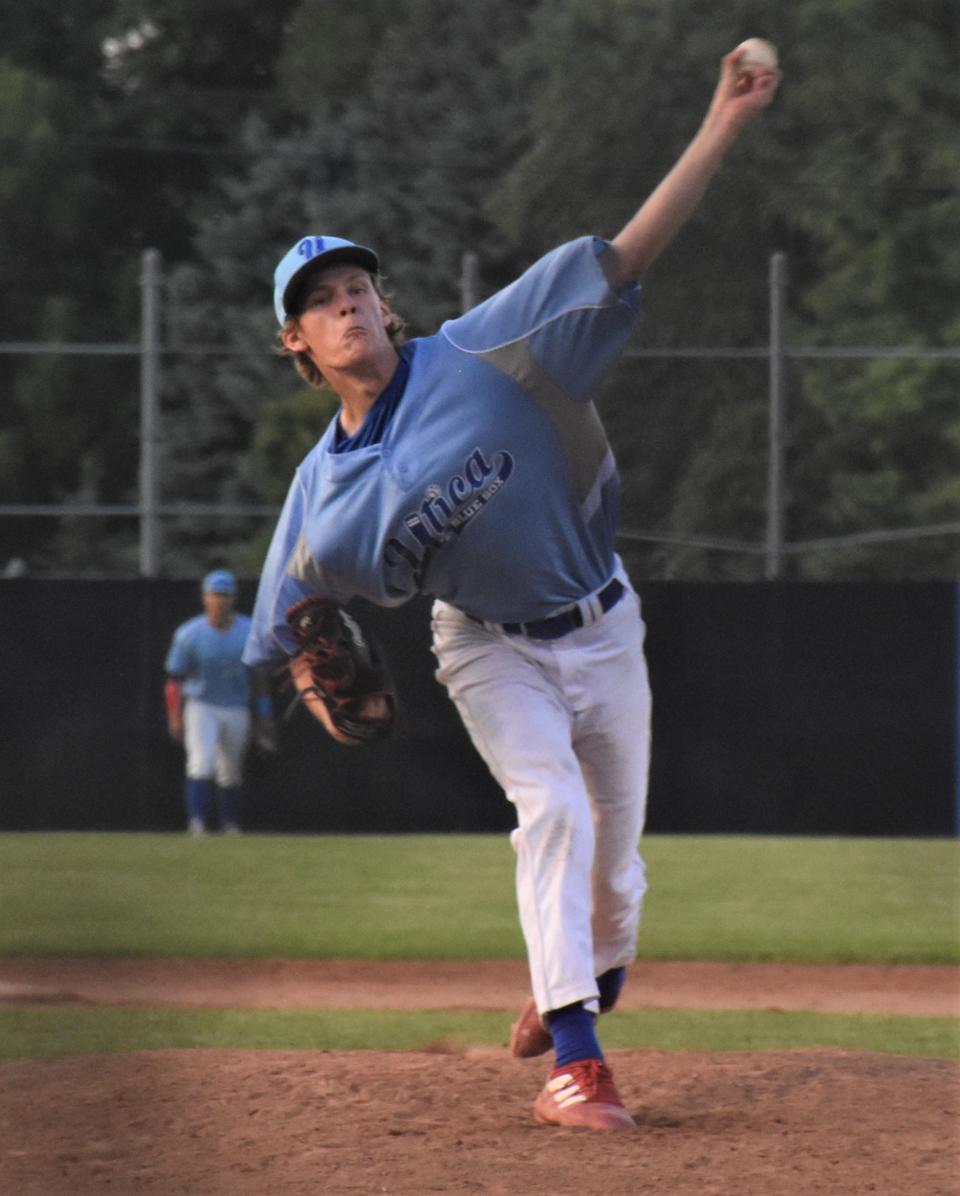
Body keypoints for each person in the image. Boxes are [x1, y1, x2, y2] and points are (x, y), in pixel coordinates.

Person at [244, 46, 780, 1128]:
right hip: (487, 646)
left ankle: (573, 980)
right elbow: (288, 621)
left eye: (358, 286)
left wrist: (722, 121)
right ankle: (577, 1064)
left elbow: (622, 260)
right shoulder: (320, 495)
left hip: (604, 622)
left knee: (616, 883)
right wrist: (309, 673)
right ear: (297, 343)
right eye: (321, 302)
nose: (347, 305)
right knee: (553, 807)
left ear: (387, 306)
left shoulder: (489, 351)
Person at [165, 569, 270, 835]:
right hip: (202, 705)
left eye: (225, 595)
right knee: (201, 762)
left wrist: (264, 713)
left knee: (231, 770)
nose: (220, 601)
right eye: (215, 595)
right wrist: (175, 715)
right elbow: (174, 679)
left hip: (236, 705)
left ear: (233, 598)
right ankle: (197, 823)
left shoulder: (248, 632)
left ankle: (230, 824)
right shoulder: (190, 634)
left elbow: (259, 677)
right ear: (205, 597)